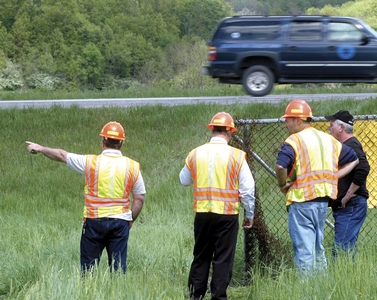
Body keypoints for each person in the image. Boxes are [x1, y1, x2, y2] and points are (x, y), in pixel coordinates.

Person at [26, 121, 146, 273]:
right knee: (118, 271)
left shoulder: (90, 162)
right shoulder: (132, 166)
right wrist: (130, 220)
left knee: (88, 272)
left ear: (103, 142)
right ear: (121, 144)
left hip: (93, 223)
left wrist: (40, 148)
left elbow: (62, 155)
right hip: (120, 223)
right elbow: (139, 198)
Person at [274, 100, 359, 278]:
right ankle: (321, 290)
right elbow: (354, 159)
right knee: (318, 249)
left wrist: (282, 185)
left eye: (288, 119)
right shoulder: (327, 139)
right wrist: (334, 176)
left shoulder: (294, 140)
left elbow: (281, 167)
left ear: (298, 120)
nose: (286, 123)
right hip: (322, 202)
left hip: (302, 201)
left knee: (305, 252)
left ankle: (308, 293)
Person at [179, 112, 255, 300]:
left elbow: (183, 180)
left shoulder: (196, 153)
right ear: (230, 132)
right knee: (223, 258)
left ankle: (195, 295)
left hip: (203, 213)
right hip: (227, 216)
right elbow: (247, 189)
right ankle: (218, 296)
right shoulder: (236, 156)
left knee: (201, 255)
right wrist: (249, 214)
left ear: (211, 129)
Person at [325, 110, 370, 258]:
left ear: (341, 127)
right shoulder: (345, 145)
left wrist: (348, 194)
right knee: (346, 248)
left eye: (331, 125)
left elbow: (363, 167)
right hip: (347, 206)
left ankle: (340, 278)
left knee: (341, 250)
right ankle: (351, 276)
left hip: (351, 204)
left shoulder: (351, 144)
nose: (329, 128)